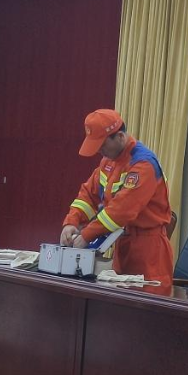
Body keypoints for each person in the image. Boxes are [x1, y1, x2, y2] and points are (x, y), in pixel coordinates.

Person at [60, 109, 174, 289]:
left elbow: (122, 210)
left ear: (120, 136)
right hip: (122, 245)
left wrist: (86, 235)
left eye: (102, 145)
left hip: (149, 250)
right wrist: (71, 222)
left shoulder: (143, 164)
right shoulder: (108, 161)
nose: (99, 151)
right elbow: (88, 196)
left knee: (147, 301)